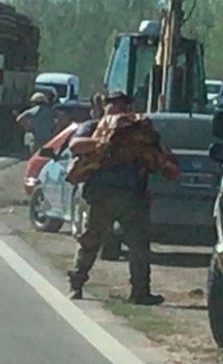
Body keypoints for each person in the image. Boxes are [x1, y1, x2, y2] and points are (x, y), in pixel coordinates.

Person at [66, 91, 173, 306]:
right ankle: (76, 285)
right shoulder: (93, 127)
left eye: (122, 105)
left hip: (133, 197)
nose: (117, 108)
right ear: (104, 107)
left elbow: (159, 155)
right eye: (113, 104)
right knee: (90, 242)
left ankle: (140, 292)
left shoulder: (140, 130)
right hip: (102, 196)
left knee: (139, 246)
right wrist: (103, 141)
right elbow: (74, 145)